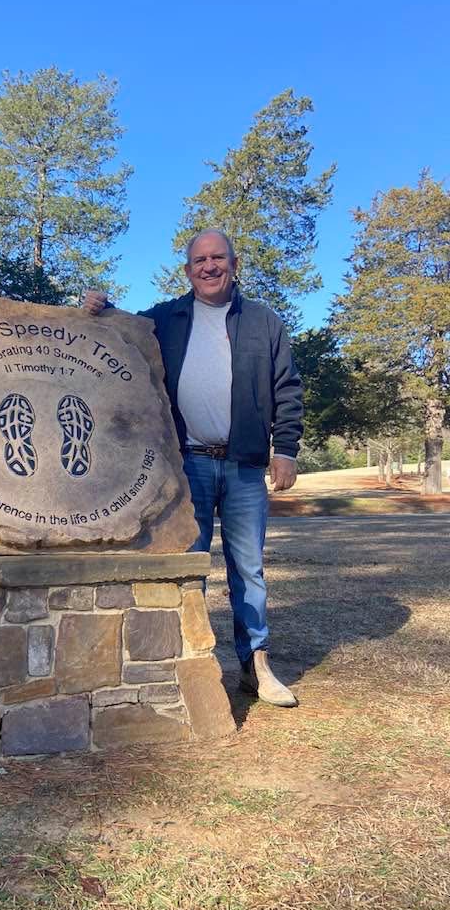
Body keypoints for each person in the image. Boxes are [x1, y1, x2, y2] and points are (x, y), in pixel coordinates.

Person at [84, 229, 303, 707]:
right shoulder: (166, 317)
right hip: (187, 466)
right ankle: (193, 663)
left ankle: (256, 665)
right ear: (188, 271)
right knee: (189, 566)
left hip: (245, 466)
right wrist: (102, 308)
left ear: (234, 264)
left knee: (249, 569)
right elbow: (127, 335)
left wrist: (285, 449)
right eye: (200, 260)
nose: (209, 266)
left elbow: (287, 388)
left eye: (218, 258)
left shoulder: (263, 321)